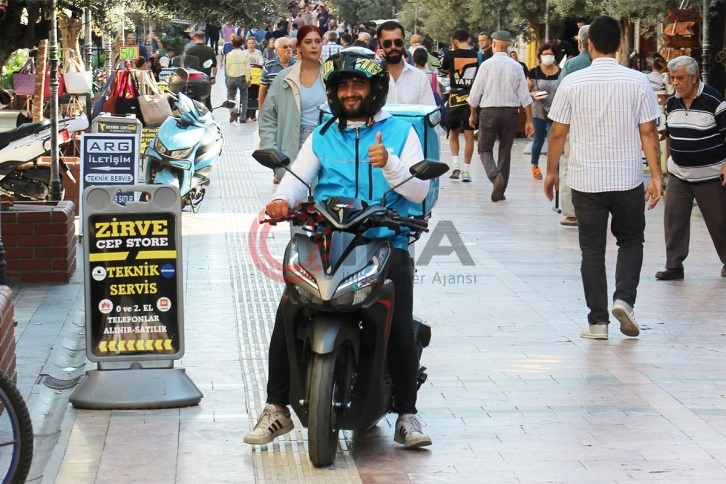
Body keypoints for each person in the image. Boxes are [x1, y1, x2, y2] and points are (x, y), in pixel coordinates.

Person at [245, 47, 432, 449]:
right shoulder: (324, 134)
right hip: (325, 238)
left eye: (358, 84)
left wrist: (390, 164)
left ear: (375, 88)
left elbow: (419, 191)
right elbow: (297, 179)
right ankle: (276, 407)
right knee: (288, 312)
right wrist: (282, 201)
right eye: (343, 85)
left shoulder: (401, 132)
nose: (350, 92)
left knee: (399, 324)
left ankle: (408, 414)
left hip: (386, 239)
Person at [543, 15, 663, 340]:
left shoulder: (572, 82)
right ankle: (624, 298)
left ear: (589, 44)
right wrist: (656, 176)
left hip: (586, 180)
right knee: (631, 240)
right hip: (626, 178)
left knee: (592, 252)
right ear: (621, 45)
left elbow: (557, 133)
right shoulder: (638, 82)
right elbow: (650, 131)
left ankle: (597, 323)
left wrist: (551, 172)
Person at [655, 55, 726, 280]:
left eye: (679, 78)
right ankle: (674, 265)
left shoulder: (714, 101)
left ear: (694, 78)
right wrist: (667, 166)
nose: (674, 83)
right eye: (672, 78)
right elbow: (670, 134)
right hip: (679, 172)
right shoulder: (672, 102)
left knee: (720, 222)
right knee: (673, 219)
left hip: (711, 175)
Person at [468, 30, 534, 200]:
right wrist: (529, 120)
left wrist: (472, 113)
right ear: (508, 45)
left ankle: (495, 177)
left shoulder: (486, 65)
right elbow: (525, 96)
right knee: (505, 150)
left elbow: (475, 93)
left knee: (484, 148)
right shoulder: (517, 66)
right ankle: (501, 189)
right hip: (510, 113)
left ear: (494, 44)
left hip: (489, 111)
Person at [258, 26, 324, 184]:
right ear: (299, 47)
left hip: (325, 147)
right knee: (295, 200)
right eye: (308, 42)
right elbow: (267, 117)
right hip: (292, 148)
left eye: (318, 41)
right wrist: (272, 151)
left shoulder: (333, 77)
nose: (314, 46)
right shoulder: (284, 78)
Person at [553, 24, 591, 227]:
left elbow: (560, 92)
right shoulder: (606, 64)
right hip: (599, 125)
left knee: (568, 165)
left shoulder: (572, 64)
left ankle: (570, 212)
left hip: (573, 123)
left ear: (580, 42)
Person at [441, 28, 481, 182]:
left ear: (455, 41)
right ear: (469, 39)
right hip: (471, 97)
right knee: (469, 134)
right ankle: (466, 170)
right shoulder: (478, 55)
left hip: (455, 97)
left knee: (453, 132)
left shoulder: (450, 54)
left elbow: (444, 69)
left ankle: (455, 166)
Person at [376, 21, 435, 106]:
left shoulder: (420, 77)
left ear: (404, 41)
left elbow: (429, 112)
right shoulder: (372, 77)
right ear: (380, 44)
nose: (393, 47)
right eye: (387, 43)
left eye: (398, 42)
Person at [527, 43, 561, 180]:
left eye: (550, 54)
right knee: (539, 140)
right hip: (539, 111)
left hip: (556, 111)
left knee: (555, 140)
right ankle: (534, 165)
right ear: (540, 56)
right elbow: (525, 91)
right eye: (545, 54)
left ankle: (553, 168)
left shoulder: (560, 72)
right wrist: (532, 95)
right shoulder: (534, 72)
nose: (548, 56)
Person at [259, 37, 296, 111]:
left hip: (293, 109)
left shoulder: (298, 65)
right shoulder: (269, 66)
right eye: (285, 47)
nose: (288, 49)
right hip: (274, 109)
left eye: (290, 46)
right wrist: (261, 111)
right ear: (276, 50)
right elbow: (262, 90)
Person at [185, 30, 218, 109]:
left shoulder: (190, 50)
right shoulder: (210, 50)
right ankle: (209, 112)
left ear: (195, 37)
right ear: (204, 38)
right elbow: (214, 65)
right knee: (207, 98)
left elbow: (185, 65)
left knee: (192, 97)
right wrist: (213, 77)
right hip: (206, 78)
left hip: (192, 78)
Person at [225, 35, 252, 123]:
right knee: (244, 97)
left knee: (230, 96)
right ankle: (243, 117)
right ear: (242, 44)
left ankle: (233, 110)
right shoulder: (244, 54)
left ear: (232, 44)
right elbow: (247, 68)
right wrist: (249, 79)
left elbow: (227, 67)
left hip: (232, 77)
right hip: (242, 77)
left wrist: (228, 77)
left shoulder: (229, 54)